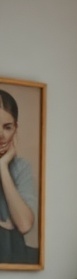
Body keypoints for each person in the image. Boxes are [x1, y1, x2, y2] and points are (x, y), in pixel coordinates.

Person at [0, 89, 39, 265]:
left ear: (16, 128)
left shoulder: (21, 167)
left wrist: (2, 167)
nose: (1, 135)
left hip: (14, 255)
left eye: (7, 127)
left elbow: (24, 224)